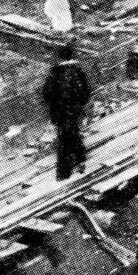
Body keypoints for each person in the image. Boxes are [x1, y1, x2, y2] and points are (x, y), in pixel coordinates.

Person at [40, 42, 91, 181]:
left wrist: (54, 106)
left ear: (59, 58)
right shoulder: (78, 71)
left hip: (60, 113)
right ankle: (80, 158)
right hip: (74, 111)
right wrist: (79, 104)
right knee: (73, 132)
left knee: (64, 139)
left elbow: (46, 94)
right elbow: (86, 92)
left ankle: (64, 172)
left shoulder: (55, 73)